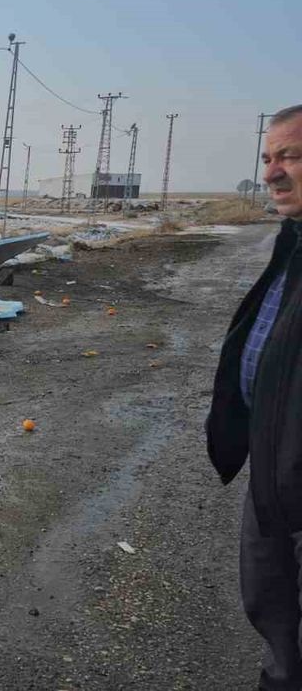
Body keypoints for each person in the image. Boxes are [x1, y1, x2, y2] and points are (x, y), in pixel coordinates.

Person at [207, 103, 302, 690]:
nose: (271, 173)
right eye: (268, 158)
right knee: (276, 617)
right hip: (275, 479)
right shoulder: (291, 244)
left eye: (290, 155)